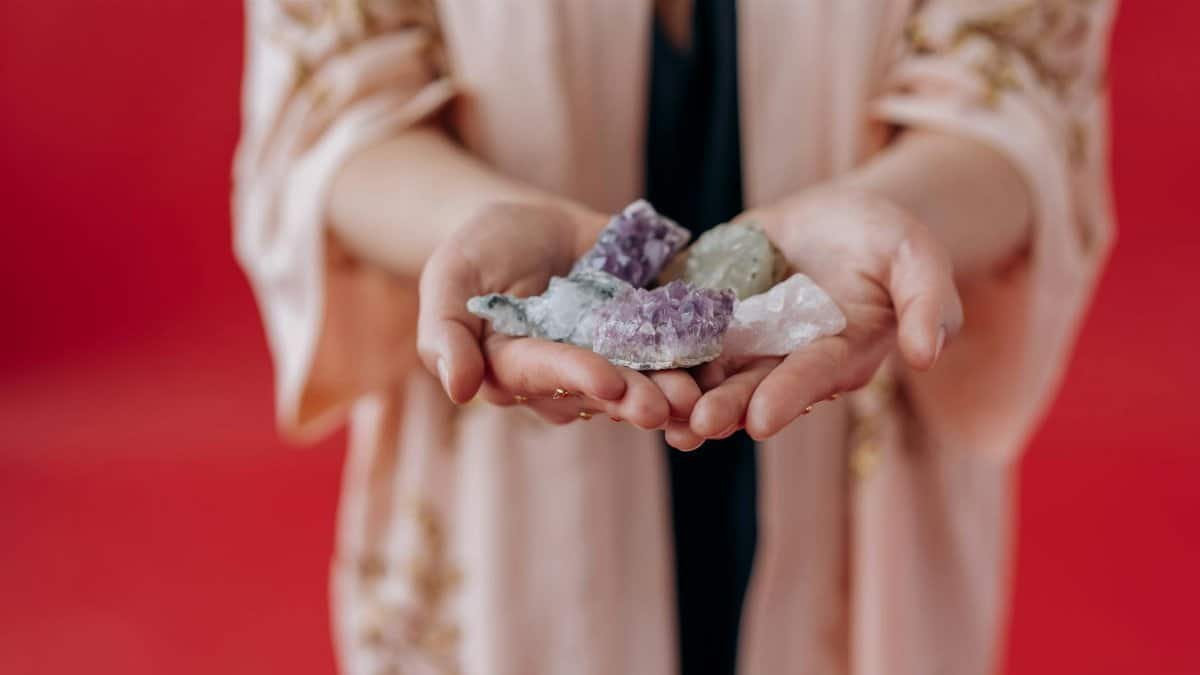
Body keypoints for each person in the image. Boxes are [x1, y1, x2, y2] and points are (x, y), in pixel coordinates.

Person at [234, 1, 1117, 673]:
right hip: (505, 490)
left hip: (849, 423)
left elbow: (1025, 87)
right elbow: (327, 102)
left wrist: (898, 225)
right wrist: (475, 235)